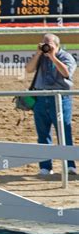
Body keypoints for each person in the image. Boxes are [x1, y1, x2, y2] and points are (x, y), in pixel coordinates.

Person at [25, 33, 77, 175]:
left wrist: (53, 57)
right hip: (41, 97)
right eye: (43, 43)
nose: (46, 46)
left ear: (57, 45)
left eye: (48, 44)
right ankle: (45, 167)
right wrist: (37, 54)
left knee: (64, 133)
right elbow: (28, 69)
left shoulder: (66, 57)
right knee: (43, 133)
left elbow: (66, 73)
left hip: (60, 98)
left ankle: (69, 165)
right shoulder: (41, 56)